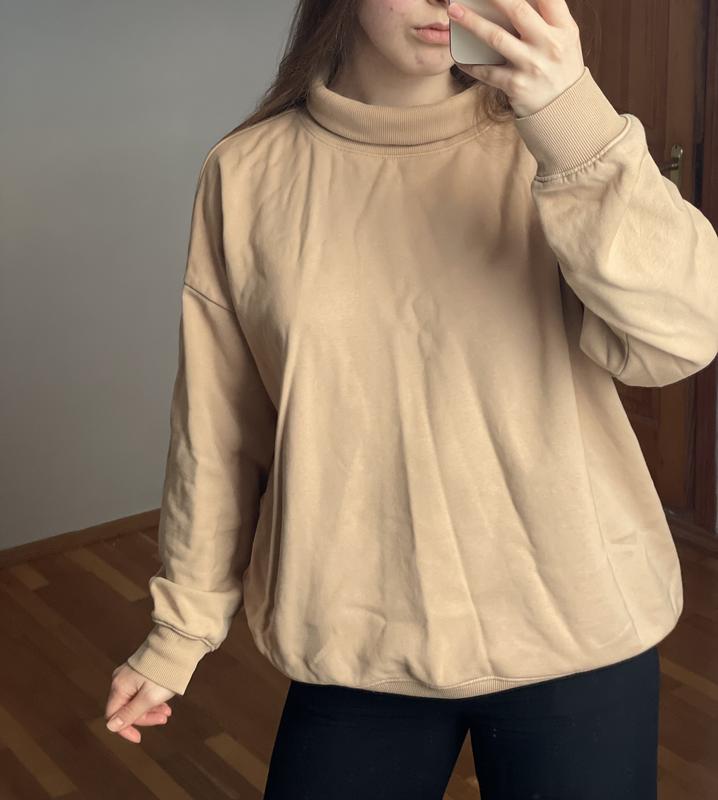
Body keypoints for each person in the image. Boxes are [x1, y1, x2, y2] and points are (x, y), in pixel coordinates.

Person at [104, 0, 718, 797]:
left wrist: (575, 124)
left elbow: (680, 339)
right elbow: (219, 430)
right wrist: (180, 627)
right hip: (355, 631)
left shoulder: (557, 143)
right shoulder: (246, 172)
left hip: (577, 620)